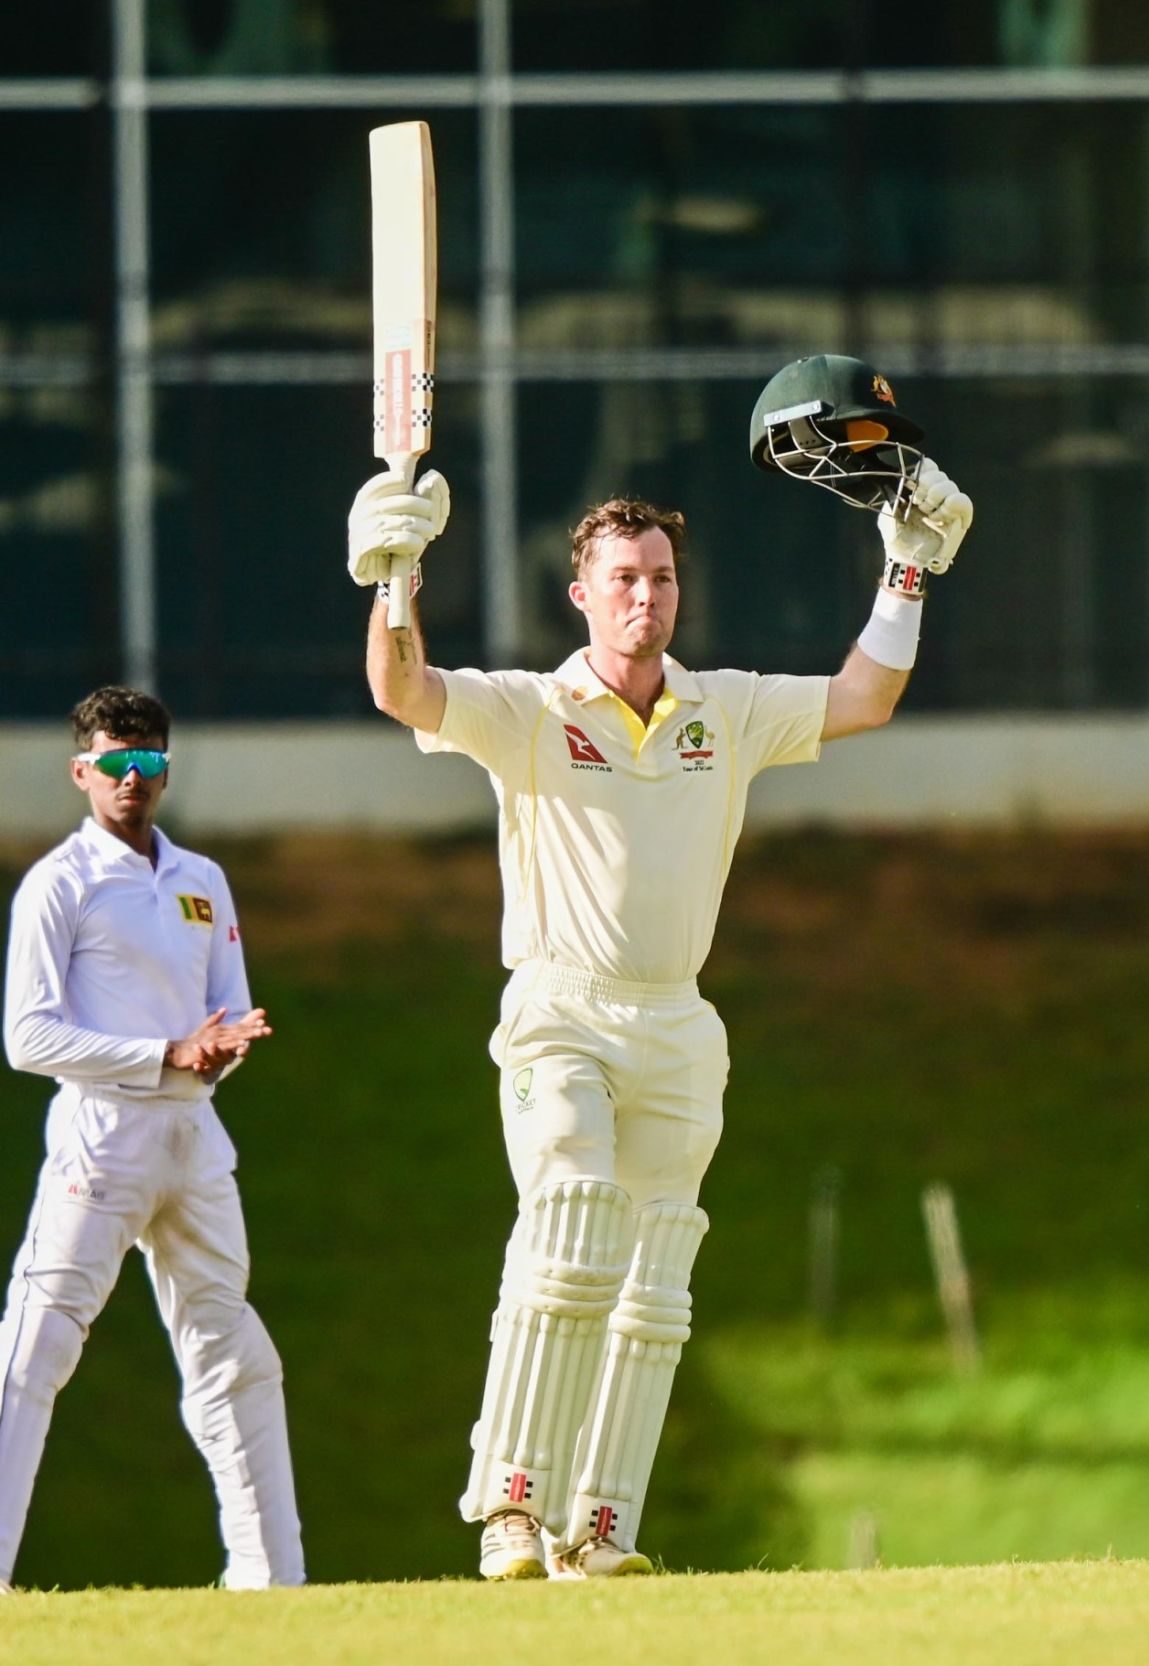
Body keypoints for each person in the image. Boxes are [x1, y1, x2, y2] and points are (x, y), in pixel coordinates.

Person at [346, 355, 972, 1582]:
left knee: (653, 1275)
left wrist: (906, 571)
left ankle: (601, 1527)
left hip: (678, 1023)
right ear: (578, 591)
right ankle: (512, 1506)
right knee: (570, 1213)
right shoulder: (525, 708)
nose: (645, 597)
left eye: (661, 578)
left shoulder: (722, 709)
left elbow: (861, 698)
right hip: (560, 1013)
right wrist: (394, 577)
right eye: (622, 579)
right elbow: (399, 685)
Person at [0, 685, 305, 1595]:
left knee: (232, 1350)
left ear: (167, 770)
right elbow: (29, 1036)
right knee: (36, 1347)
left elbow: (228, 1019)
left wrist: (214, 1056)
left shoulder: (202, 880)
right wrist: (163, 1053)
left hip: (195, 1139)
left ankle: (272, 1583)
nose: (134, 780)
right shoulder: (60, 883)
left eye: (150, 764)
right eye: (116, 764)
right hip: (104, 1140)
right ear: (82, 771)